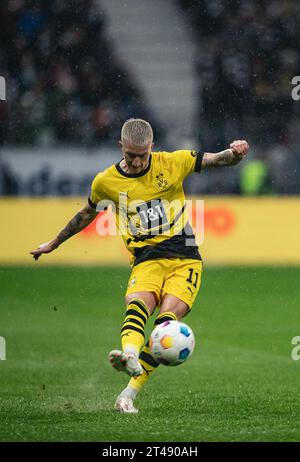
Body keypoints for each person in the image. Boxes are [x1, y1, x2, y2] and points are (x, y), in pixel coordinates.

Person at [30, 118, 249, 413]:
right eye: (130, 154)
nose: (135, 161)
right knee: (136, 307)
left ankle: (128, 395)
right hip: (145, 260)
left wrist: (234, 153)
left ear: (152, 148)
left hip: (184, 258)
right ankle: (129, 357)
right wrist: (54, 243)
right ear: (121, 146)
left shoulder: (174, 162)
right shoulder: (105, 181)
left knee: (164, 326)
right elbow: (86, 213)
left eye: (141, 155)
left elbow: (219, 159)